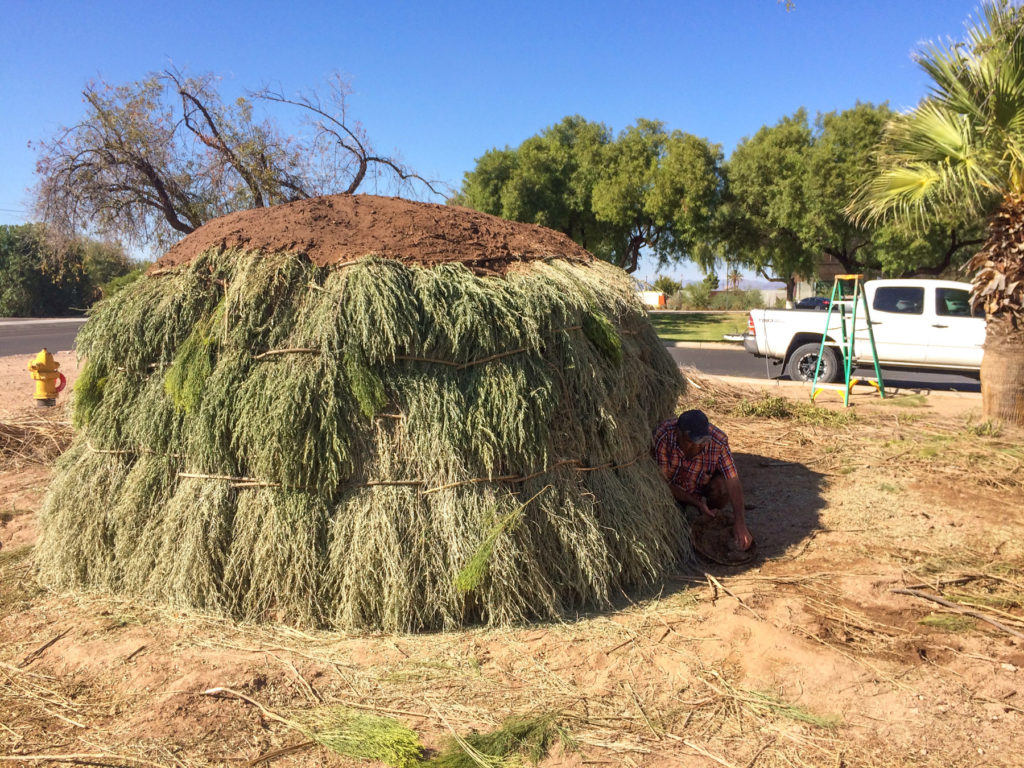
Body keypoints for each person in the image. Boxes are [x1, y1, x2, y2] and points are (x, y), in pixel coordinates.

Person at [652, 409, 753, 551]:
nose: (697, 446)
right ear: (678, 433)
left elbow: (733, 481)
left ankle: (711, 513)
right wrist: (696, 503)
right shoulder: (664, 435)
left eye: (702, 441)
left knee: (722, 487)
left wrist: (740, 523)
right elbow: (662, 483)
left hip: (700, 487)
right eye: (691, 442)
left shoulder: (718, 441)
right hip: (672, 490)